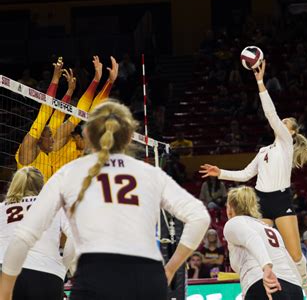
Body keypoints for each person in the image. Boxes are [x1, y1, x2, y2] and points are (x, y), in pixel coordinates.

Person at [0, 100, 210, 300]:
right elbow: (199, 217)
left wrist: (7, 287)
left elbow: (23, 237)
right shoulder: (150, 173)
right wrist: (171, 267)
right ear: (129, 138)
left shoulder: (69, 174)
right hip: (147, 275)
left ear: (88, 135)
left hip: (95, 275)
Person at [200, 60, 307, 298]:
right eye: (282, 122)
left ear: (292, 132)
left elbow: (270, 114)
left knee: (295, 254)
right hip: (261, 201)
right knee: (261, 248)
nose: (281, 123)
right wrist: (219, 172)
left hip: (281, 200)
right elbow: (245, 174)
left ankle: (306, 286)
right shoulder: (264, 150)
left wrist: (260, 82)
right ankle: (255, 286)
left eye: (286, 124)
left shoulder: (285, 144)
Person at [0, 167, 74, 300]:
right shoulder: (54, 204)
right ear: (42, 186)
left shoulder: (1, 208)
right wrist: (63, 267)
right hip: (46, 274)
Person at [224, 186, 303, 300]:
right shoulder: (269, 229)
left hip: (265, 284)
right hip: (294, 288)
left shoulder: (234, 222)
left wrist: (266, 267)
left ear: (230, 208)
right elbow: (287, 259)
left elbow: (252, 238)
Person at [14, 57, 63, 181]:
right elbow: (44, 114)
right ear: (39, 137)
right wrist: (55, 79)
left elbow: (57, 119)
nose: (53, 140)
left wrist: (69, 91)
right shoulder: (27, 151)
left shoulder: (44, 154)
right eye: (50, 136)